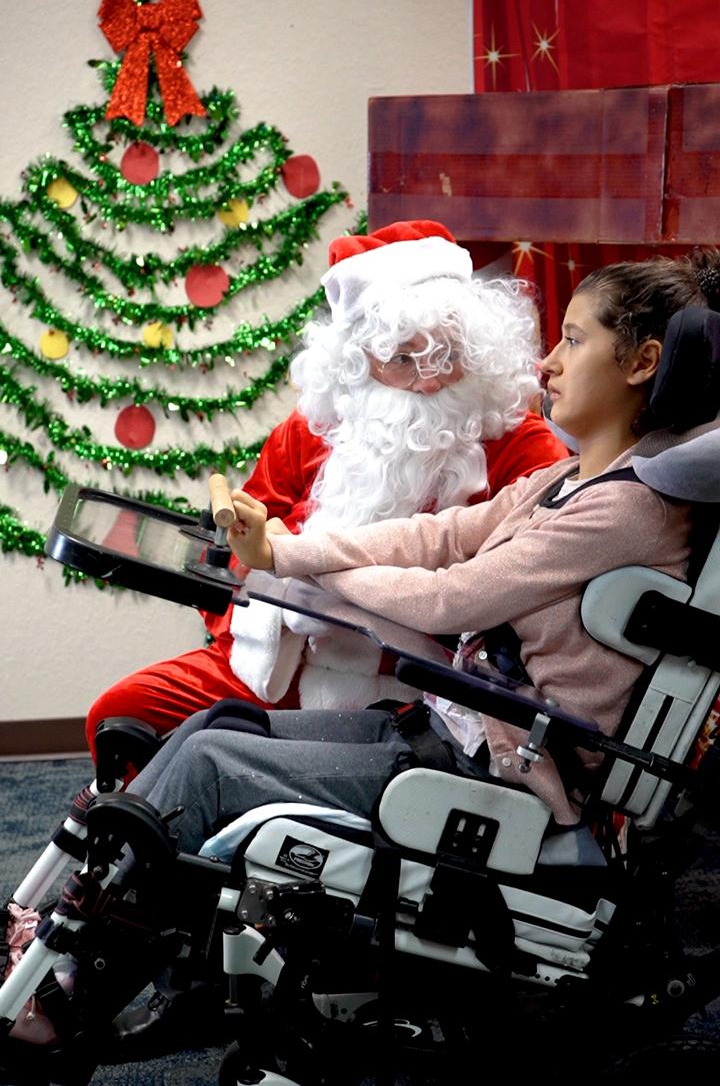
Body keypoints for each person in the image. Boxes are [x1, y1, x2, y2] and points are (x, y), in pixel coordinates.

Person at [125, 247, 720, 848]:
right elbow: (441, 537)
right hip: (464, 726)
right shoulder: (563, 481)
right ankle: (63, 913)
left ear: (643, 363)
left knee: (210, 762)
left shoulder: (624, 509)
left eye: (572, 341)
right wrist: (287, 554)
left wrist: (297, 562)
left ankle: (75, 918)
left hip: (510, 768)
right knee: (215, 725)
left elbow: (451, 599)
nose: (546, 363)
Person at [85, 220, 566, 756]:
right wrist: (247, 556)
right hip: (275, 664)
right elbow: (237, 555)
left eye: (446, 356)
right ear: (359, 361)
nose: (428, 382)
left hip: (415, 693)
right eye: (403, 359)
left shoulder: (520, 444)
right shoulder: (310, 430)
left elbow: (523, 581)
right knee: (119, 716)